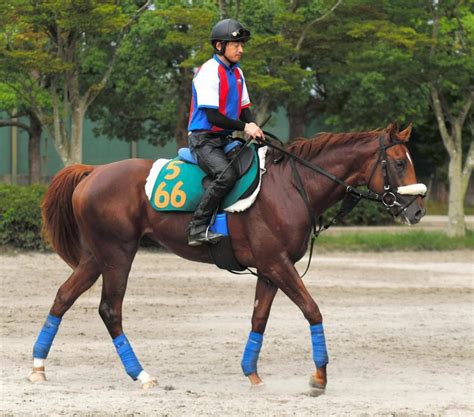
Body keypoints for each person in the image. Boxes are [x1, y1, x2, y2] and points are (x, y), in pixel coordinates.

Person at [186, 18, 264, 246]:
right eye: (235, 44)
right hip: (202, 140)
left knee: (255, 164)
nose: (241, 49)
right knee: (226, 175)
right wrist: (244, 127)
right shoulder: (208, 72)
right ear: (220, 46)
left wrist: (254, 126)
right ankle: (197, 228)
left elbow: (244, 109)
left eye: (242, 44)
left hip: (224, 139)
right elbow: (213, 117)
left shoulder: (238, 73)